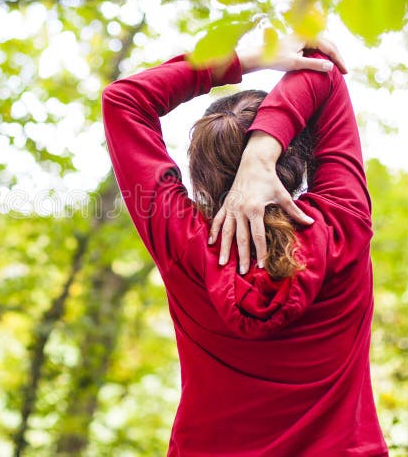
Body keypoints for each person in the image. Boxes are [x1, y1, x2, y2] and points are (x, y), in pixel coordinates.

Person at [101, 36, 388, 456]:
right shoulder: (342, 223)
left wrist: (243, 61)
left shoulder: (185, 241)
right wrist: (262, 151)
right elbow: (322, 67)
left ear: (200, 176)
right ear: (300, 156)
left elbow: (123, 101)